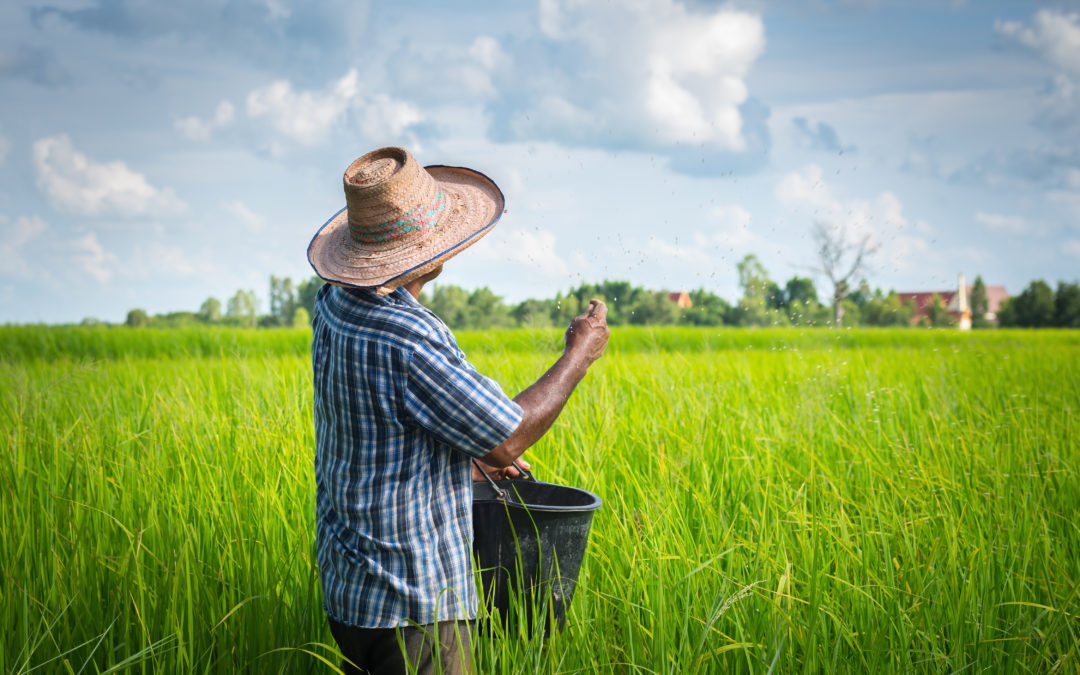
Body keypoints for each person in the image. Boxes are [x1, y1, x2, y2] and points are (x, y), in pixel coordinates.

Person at [306, 146, 609, 674]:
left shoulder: (334, 302)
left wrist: (464, 461)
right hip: (413, 605)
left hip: (351, 590)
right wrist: (578, 356)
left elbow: (376, 430)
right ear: (425, 248)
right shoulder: (408, 336)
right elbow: (507, 437)